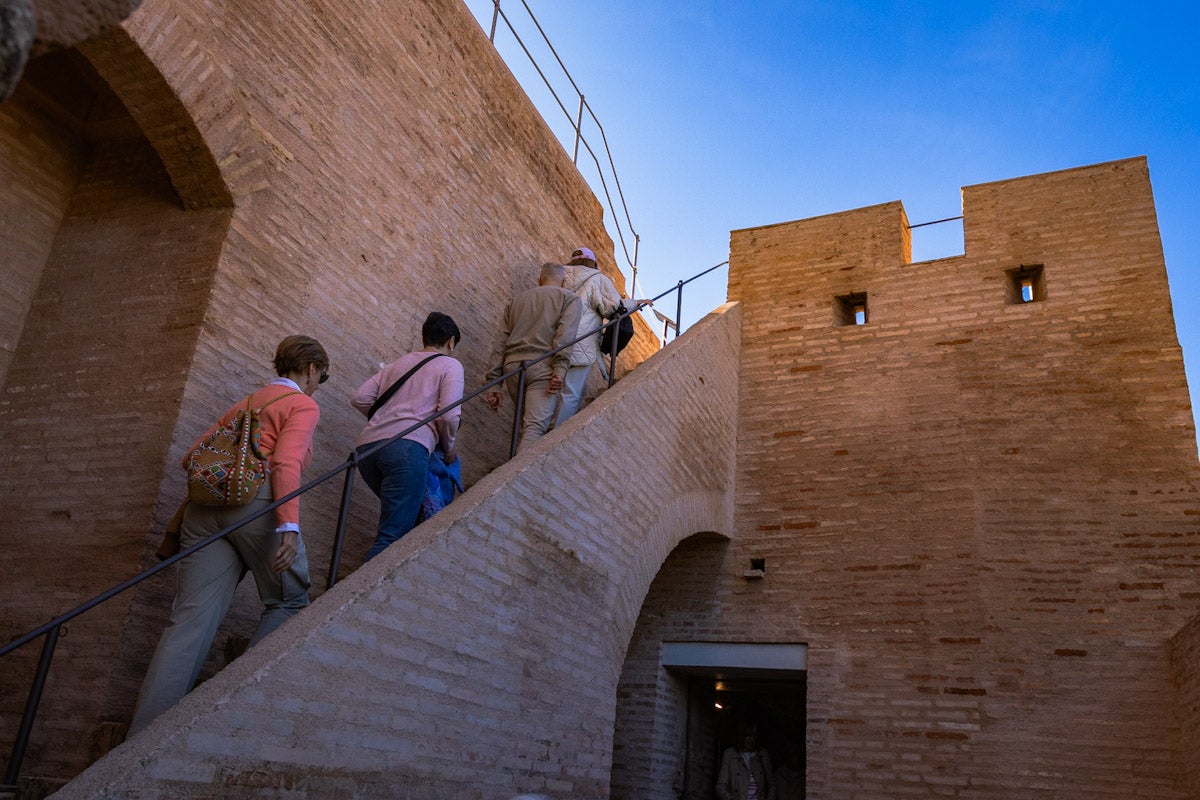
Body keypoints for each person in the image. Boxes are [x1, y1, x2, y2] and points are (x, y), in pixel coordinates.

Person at [130, 335, 329, 734]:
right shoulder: (302, 404)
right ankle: (226, 713)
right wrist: (288, 526)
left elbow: (192, 457)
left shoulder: (247, 403)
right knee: (288, 602)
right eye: (322, 377)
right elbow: (286, 463)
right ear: (311, 369)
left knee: (188, 622)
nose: (318, 383)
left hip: (203, 513)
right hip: (259, 508)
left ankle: (142, 738)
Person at [352, 312, 464, 560]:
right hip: (406, 450)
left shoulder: (398, 364)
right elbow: (448, 416)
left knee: (406, 518)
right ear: (451, 342)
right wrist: (448, 447)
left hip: (367, 449)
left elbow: (360, 398)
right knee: (393, 536)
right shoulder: (450, 365)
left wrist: (387, 419)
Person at [485, 262, 581, 453]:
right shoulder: (569, 298)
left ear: (540, 280)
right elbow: (564, 336)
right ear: (564, 282)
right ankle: (515, 481)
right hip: (542, 366)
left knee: (525, 425)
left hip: (512, 367)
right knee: (535, 428)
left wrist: (494, 383)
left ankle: (510, 474)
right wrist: (560, 370)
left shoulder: (516, 301)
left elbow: (500, 341)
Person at [556, 246, 648, 427]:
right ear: (593, 262)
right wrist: (636, 302)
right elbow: (613, 307)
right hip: (582, 342)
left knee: (549, 390)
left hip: (555, 340)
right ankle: (553, 437)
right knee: (571, 393)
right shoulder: (597, 279)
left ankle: (537, 435)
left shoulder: (559, 275)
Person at [716, 724, 776, 800]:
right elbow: (720, 786)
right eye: (747, 736)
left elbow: (772, 785)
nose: (750, 739)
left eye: (753, 736)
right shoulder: (730, 754)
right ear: (741, 737)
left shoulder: (763, 754)